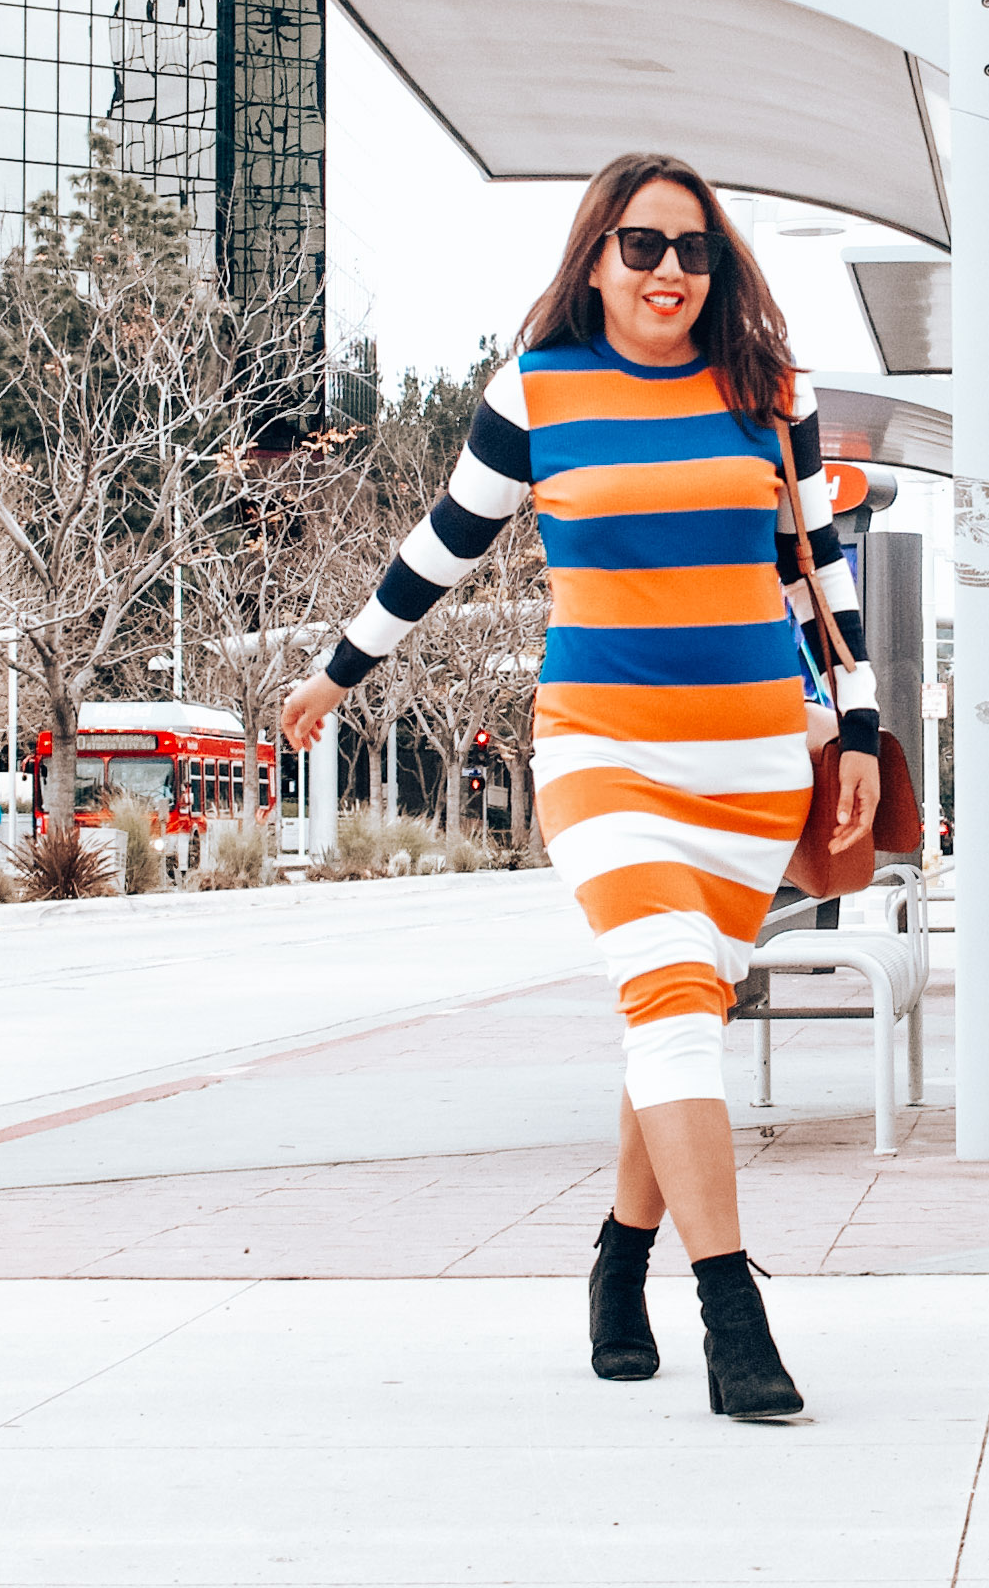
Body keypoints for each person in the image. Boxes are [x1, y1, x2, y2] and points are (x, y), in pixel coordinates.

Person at [282, 150, 877, 1421]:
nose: (670, 272)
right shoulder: (538, 389)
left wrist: (866, 731)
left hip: (754, 758)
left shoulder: (767, 388)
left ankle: (617, 1257)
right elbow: (443, 542)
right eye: (643, 246)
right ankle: (734, 1313)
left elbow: (815, 568)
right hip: (604, 749)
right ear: (595, 254)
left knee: (680, 1019)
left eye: (694, 249)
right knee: (666, 993)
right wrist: (340, 670)